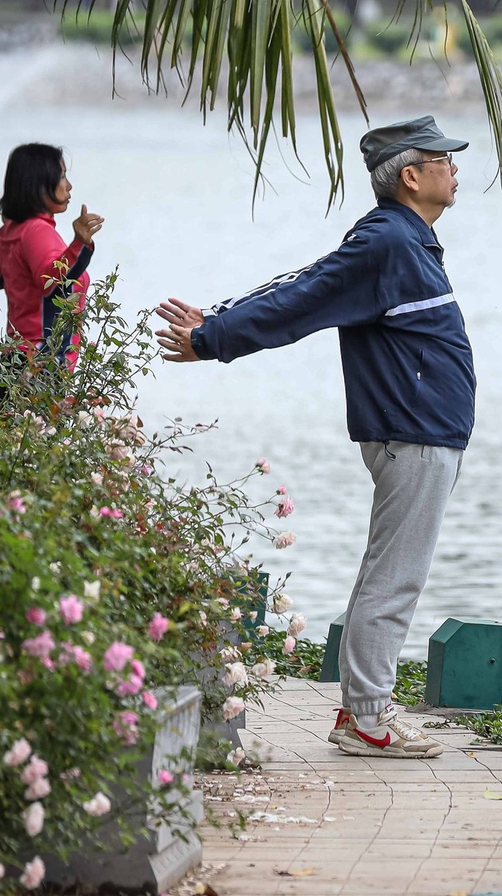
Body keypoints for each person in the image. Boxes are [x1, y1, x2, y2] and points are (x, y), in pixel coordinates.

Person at [154, 116, 474, 760]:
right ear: (411, 176)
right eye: (443, 159)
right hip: (412, 432)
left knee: (388, 573)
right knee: (396, 577)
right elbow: (304, 296)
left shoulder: (402, 241)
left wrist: (219, 321)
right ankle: (367, 721)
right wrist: (214, 338)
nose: (455, 168)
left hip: (420, 432)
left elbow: (301, 285)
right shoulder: (389, 241)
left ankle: (363, 710)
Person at [0, 143, 105, 381]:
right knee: (41, 420)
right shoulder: (37, 231)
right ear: (39, 185)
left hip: (13, 359)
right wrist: (79, 243)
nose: (69, 186)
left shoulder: (10, 230)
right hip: (39, 362)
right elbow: (50, 282)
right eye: (61, 176)